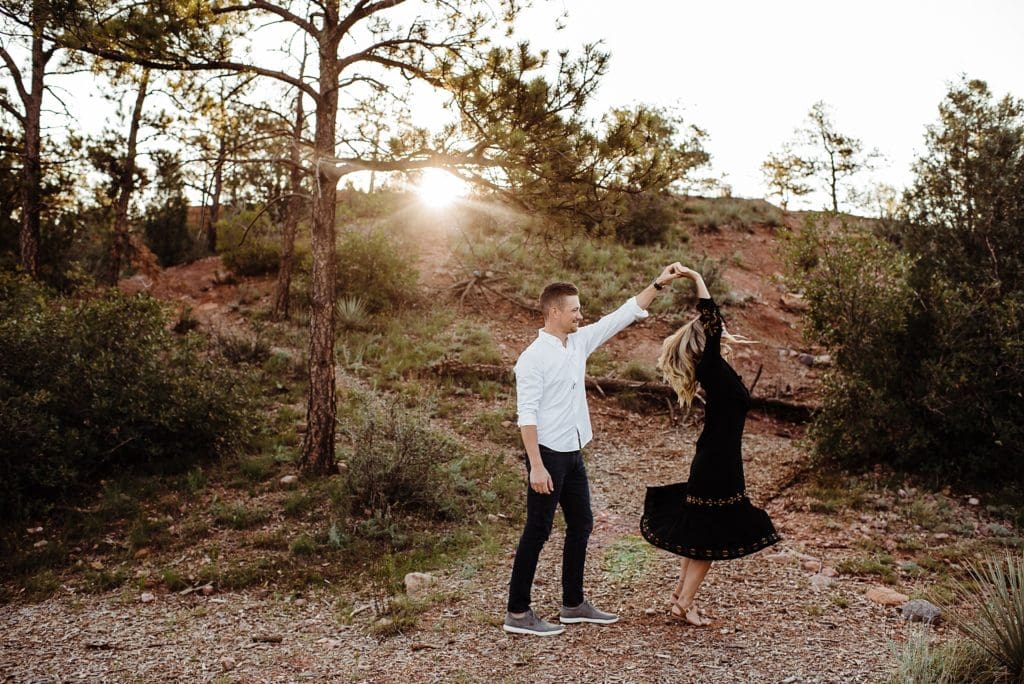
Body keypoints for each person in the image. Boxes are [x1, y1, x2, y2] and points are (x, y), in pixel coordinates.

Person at [503, 263, 687, 637]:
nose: (580, 315)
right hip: (548, 455)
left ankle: (573, 604)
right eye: (574, 310)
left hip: (573, 452)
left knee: (582, 524)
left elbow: (621, 316)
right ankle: (518, 613)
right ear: (554, 312)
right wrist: (536, 467)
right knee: (537, 532)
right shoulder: (532, 358)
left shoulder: (579, 341)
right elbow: (526, 416)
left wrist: (657, 283)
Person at [640, 266, 781, 626]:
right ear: (707, 339)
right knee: (710, 535)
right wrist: (695, 277)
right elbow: (711, 313)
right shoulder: (711, 366)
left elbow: (712, 320)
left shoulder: (717, 370)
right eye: (715, 331)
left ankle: (679, 598)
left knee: (699, 530)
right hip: (718, 462)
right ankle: (686, 603)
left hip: (715, 459)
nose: (722, 331)